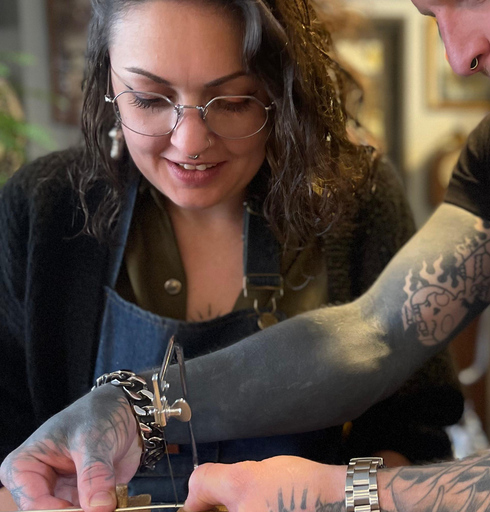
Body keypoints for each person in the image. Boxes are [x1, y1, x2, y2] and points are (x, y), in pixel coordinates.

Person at [4, 0, 490, 509]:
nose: (458, 53)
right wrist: (135, 407)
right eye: (432, 14)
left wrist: (345, 494)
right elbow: (369, 335)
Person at [0, 0, 466, 506]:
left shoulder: (358, 200)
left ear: (280, 88)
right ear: (108, 83)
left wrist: (342, 498)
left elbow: (415, 437)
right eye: (150, 99)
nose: (190, 141)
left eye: (234, 101)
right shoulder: (42, 208)